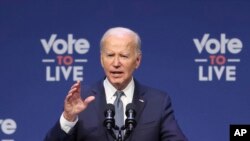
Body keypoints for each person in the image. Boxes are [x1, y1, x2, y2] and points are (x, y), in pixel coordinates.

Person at [44, 27, 188, 141]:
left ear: (137, 60)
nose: (116, 63)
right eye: (110, 55)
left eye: (124, 56)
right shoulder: (81, 99)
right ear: (101, 59)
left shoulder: (157, 102)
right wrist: (68, 118)